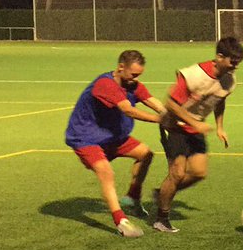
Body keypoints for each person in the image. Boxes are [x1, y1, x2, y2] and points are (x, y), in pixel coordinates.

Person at [65, 50, 167, 238]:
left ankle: (132, 198)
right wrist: (158, 120)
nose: (135, 79)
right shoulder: (105, 84)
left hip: (112, 137)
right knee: (106, 172)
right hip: (86, 137)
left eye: (139, 75)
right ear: (121, 67)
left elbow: (153, 102)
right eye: (133, 74)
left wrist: (172, 116)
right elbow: (128, 110)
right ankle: (121, 222)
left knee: (145, 154)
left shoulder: (132, 85)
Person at [154, 37, 243, 233]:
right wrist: (194, 122)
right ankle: (161, 218)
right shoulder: (193, 75)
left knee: (198, 173)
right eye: (232, 61)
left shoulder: (229, 79)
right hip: (175, 125)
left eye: (238, 63)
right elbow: (170, 103)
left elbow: (219, 100)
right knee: (177, 173)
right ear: (219, 57)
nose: (235, 66)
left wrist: (219, 127)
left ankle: (163, 194)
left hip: (195, 128)